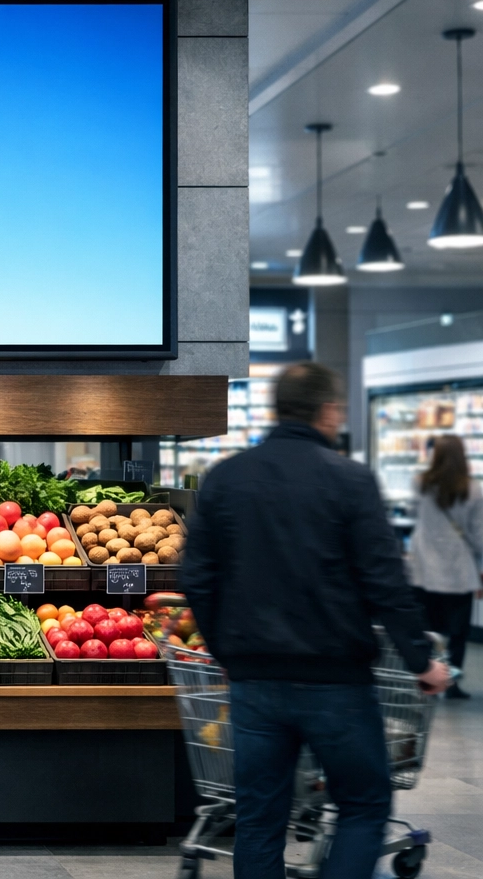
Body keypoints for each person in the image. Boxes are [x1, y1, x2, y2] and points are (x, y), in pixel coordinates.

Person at [181, 361, 450, 879]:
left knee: (259, 818)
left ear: (277, 410)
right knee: (364, 805)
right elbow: (384, 582)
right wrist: (421, 660)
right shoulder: (350, 480)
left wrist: (225, 653)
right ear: (329, 410)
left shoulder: (226, 479)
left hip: (256, 682)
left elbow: (199, 579)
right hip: (336, 684)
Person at [408, 433, 483, 699]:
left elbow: (413, 516)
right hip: (459, 572)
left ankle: (427, 680)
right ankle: (452, 684)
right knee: (458, 634)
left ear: (435, 455)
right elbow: (477, 535)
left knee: (426, 629)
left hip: (425, 571)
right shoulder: (474, 489)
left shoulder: (420, 483)